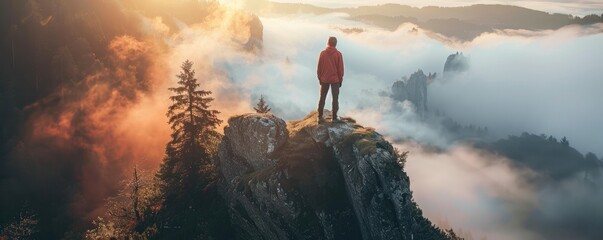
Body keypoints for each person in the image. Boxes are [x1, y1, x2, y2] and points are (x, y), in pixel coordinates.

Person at [316, 36, 344, 123]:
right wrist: (340, 80)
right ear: (335, 44)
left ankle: (320, 117)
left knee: (322, 98)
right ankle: (334, 118)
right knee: (335, 99)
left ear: (328, 42)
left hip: (324, 79)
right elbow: (340, 69)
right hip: (335, 80)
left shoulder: (322, 53)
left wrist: (320, 78)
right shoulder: (338, 54)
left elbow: (319, 68)